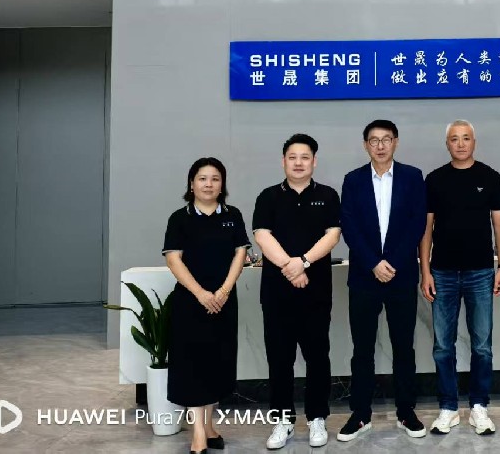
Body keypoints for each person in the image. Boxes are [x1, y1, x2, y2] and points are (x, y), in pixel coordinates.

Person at [336, 119, 428, 442]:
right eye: (373, 140)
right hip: (365, 277)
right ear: (365, 145)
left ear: (395, 142)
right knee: (362, 350)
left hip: (401, 276)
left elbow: (417, 223)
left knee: (404, 347)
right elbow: (349, 225)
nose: (380, 145)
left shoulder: (412, 177)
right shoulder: (353, 180)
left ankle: (406, 412)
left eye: (386, 139)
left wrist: (394, 262)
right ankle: (360, 414)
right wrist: (374, 263)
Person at [253, 134, 341, 449]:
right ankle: (283, 421)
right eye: (292, 157)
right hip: (276, 293)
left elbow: (333, 235)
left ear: (314, 161)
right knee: (279, 359)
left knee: (318, 356)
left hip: (316, 292)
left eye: (305, 157)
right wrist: (290, 268)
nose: (299, 162)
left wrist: (302, 263)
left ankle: (317, 418)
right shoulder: (268, 196)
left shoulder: (328, 195)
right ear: (283, 161)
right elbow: (262, 236)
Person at [420, 120, 500, 436]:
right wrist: (425, 271)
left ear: (474, 142)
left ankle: (479, 406)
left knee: (482, 345)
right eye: (454, 139)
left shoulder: (490, 177)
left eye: (466, 138)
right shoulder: (434, 180)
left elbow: (499, 226)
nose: (460, 144)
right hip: (442, 273)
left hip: (481, 273)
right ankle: (448, 408)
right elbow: (426, 230)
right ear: (447, 144)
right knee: (443, 345)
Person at [162, 157, 250, 454]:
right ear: (192, 184)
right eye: (202, 178)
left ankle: (209, 425)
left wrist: (223, 291)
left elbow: (240, 254)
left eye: (215, 178)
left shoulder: (233, 215)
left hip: (224, 302)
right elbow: (173, 259)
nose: (208, 184)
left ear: (222, 184)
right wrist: (201, 293)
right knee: (193, 365)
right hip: (190, 302)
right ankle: (198, 433)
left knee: (217, 363)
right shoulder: (179, 218)